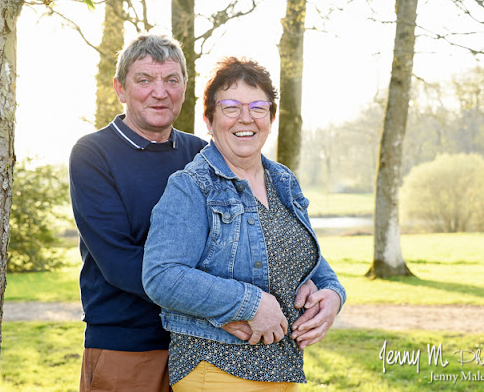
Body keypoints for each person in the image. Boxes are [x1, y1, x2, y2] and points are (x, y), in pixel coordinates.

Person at [70, 35, 322, 391]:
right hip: (129, 343)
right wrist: (222, 310)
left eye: (171, 80)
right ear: (120, 89)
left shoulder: (203, 154)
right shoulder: (93, 153)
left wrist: (314, 285)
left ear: (184, 89)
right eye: (144, 80)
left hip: (206, 347)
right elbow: (119, 261)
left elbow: (243, 245)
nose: (160, 92)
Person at [142, 57, 346, 391]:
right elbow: (161, 276)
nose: (246, 118)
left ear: (271, 117)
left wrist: (333, 294)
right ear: (208, 120)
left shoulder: (283, 180)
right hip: (217, 370)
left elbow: (308, 258)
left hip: (282, 369)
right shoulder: (192, 185)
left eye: (258, 107)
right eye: (231, 107)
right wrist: (250, 303)